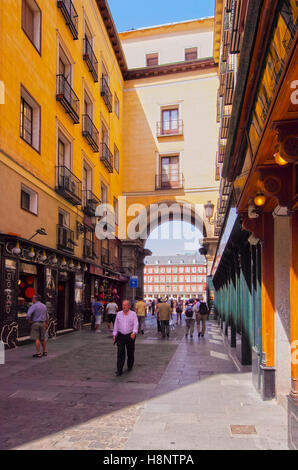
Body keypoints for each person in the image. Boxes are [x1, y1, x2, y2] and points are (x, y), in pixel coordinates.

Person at [113, 300, 139, 376]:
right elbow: (116, 325)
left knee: (130, 352)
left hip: (130, 335)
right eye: (123, 305)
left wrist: (134, 332)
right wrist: (114, 334)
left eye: (125, 305)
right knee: (120, 353)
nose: (124, 306)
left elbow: (136, 324)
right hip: (121, 335)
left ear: (129, 306)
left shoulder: (133, 314)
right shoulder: (119, 314)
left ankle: (130, 365)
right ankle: (119, 370)